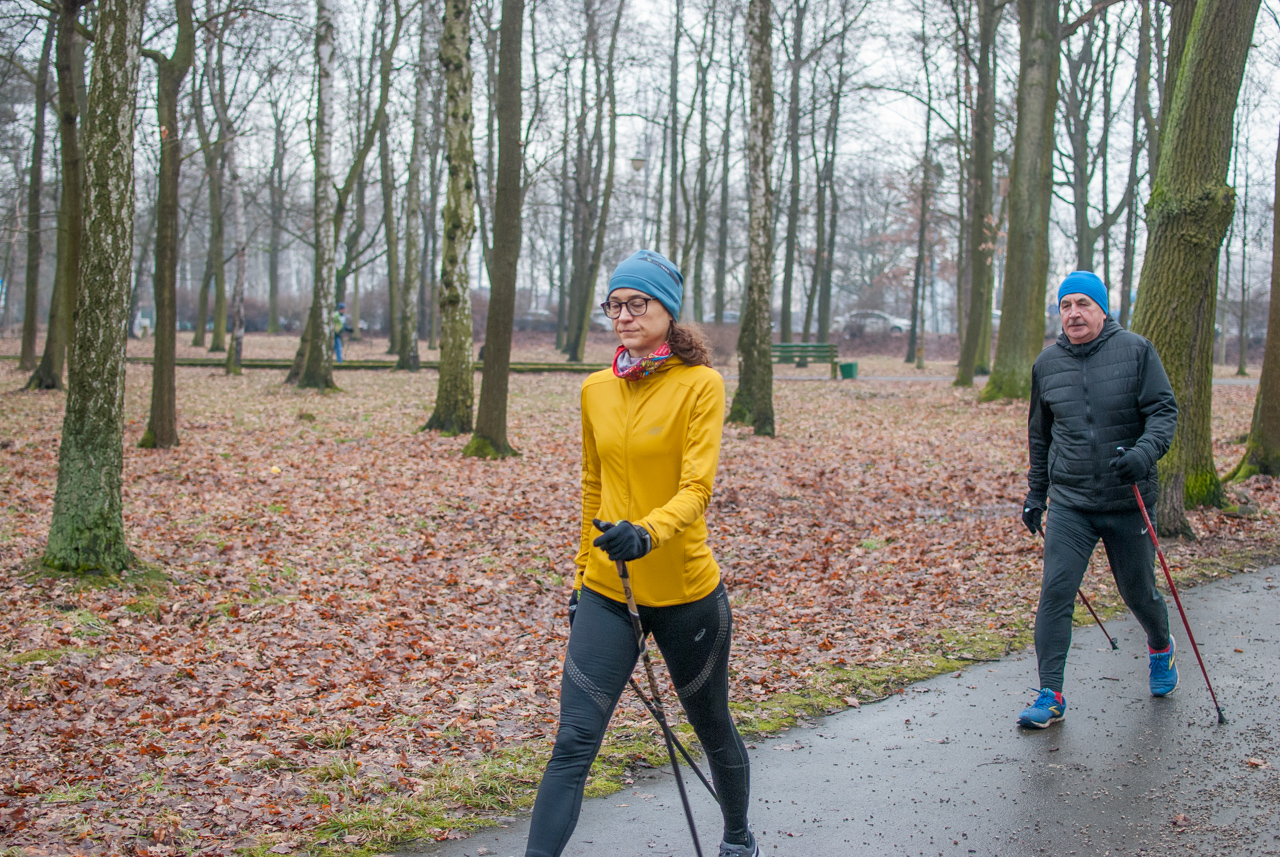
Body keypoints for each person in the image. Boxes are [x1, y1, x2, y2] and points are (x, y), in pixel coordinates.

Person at [525, 250, 757, 857]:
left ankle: (737, 838)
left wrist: (647, 533)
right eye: (615, 305)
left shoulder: (700, 384)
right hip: (608, 591)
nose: (624, 316)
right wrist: (582, 577)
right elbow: (592, 489)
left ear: (666, 311)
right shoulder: (596, 390)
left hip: (684, 592)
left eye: (638, 304)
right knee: (574, 739)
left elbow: (696, 489)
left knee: (711, 727)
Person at [1018, 270, 1180, 728]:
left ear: (1102, 309)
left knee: (1138, 593)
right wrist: (1036, 494)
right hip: (1072, 504)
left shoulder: (1136, 350)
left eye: (1082, 304)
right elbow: (1040, 436)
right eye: (1065, 305)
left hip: (1126, 499)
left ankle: (1161, 648)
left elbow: (1163, 413)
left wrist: (1143, 455)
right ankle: (1051, 694)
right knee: (1056, 591)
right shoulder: (1047, 364)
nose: (1073, 313)